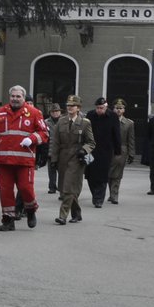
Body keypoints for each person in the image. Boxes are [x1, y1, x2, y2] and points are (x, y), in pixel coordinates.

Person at [0, 84, 47, 230]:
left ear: (23, 98)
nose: (15, 99)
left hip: (24, 160)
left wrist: (32, 139)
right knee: (5, 191)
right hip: (4, 161)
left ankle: (31, 210)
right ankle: (8, 220)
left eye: (18, 96)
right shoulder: (0, 113)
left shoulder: (34, 113)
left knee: (26, 188)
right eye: (13, 96)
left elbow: (44, 134)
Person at [51, 96, 94, 224]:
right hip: (63, 157)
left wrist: (84, 150)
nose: (70, 107)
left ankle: (62, 215)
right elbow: (56, 142)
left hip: (77, 157)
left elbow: (92, 143)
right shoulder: (61, 121)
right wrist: (54, 159)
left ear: (78, 108)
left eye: (73, 105)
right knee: (65, 186)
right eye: (68, 105)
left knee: (68, 187)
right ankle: (76, 213)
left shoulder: (85, 122)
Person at [84, 96, 120, 208]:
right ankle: (95, 194)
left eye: (101, 108)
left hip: (106, 151)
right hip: (91, 150)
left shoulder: (113, 116)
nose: (99, 110)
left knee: (102, 176)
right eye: (98, 108)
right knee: (90, 175)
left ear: (106, 107)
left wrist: (117, 150)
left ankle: (99, 199)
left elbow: (116, 134)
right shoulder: (90, 115)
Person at [109, 99, 136, 205]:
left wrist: (131, 153)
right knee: (109, 174)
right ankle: (111, 192)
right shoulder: (108, 120)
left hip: (121, 151)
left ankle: (114, 195)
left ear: (124, 110)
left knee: (117, 174)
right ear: (113, 109)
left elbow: (131, 139)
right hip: (109, 149)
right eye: (116, 108)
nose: (118, 110)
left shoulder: (129, 123)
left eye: (121, 108)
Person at [44, 101, 63, 194]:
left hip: (61, 150)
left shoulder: (64, 121)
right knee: (51, 170)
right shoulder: (46, 122)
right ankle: (52, 187)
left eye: (57, 111)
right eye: (53, 111)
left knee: (61, 170)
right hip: (50, 149)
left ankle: (61, 187)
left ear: (60, 112)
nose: (55, 113)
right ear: (50, 113)